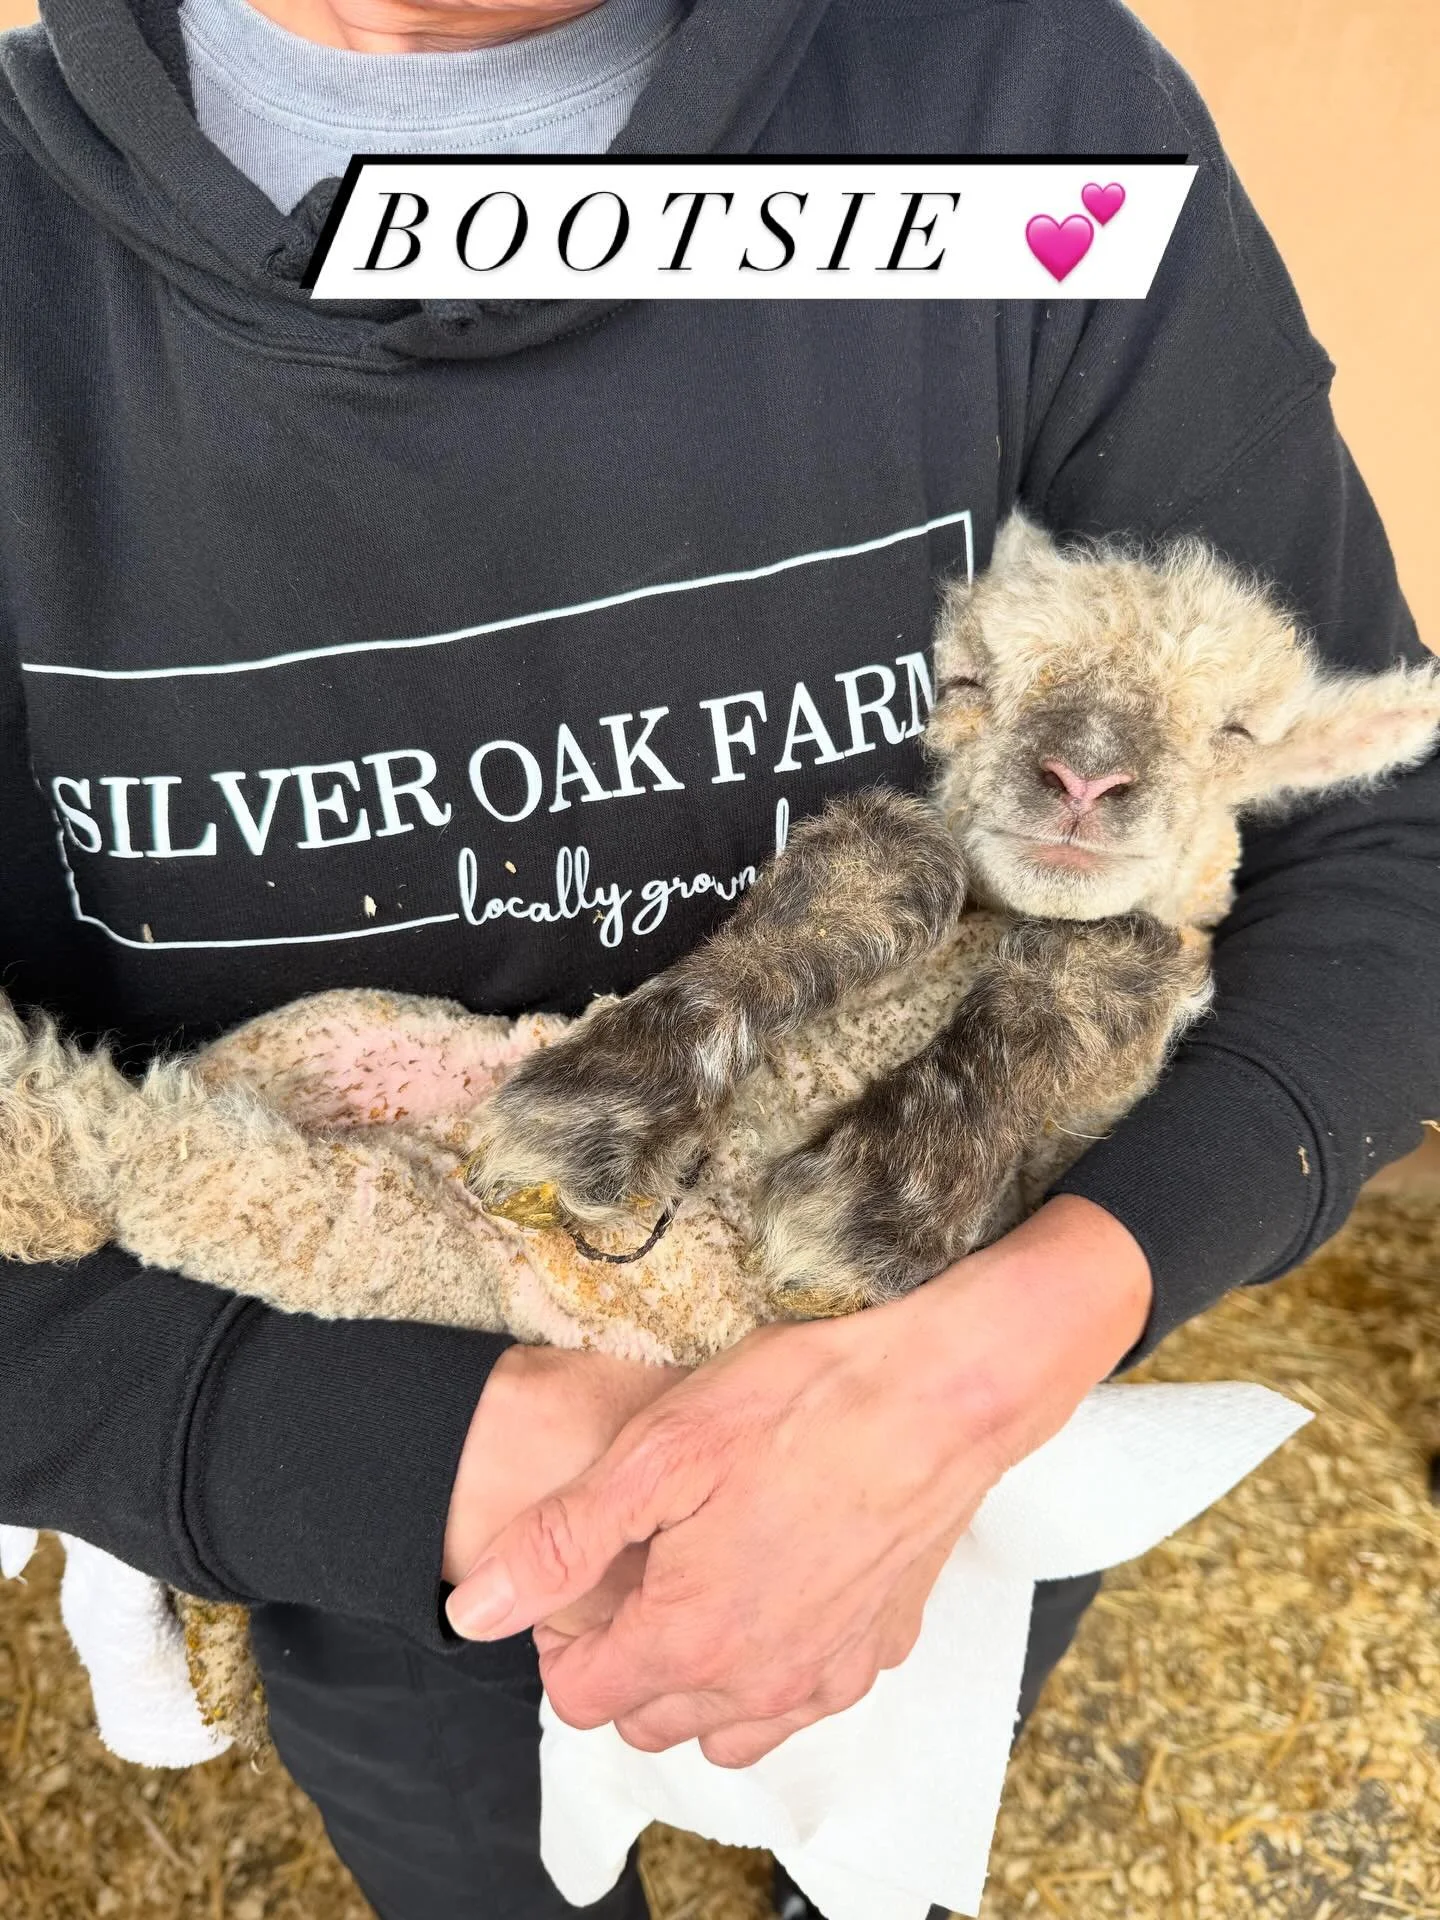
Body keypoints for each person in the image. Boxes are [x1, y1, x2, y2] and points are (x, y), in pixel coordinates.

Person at [1, 1, 1435, 1916]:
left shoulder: (1020, 121)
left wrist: (988, 1363)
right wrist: (393, 1451)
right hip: (367, 1504)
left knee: (894, 1854)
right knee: (489, 1875)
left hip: (956, 1435)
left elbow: (1380, 838)